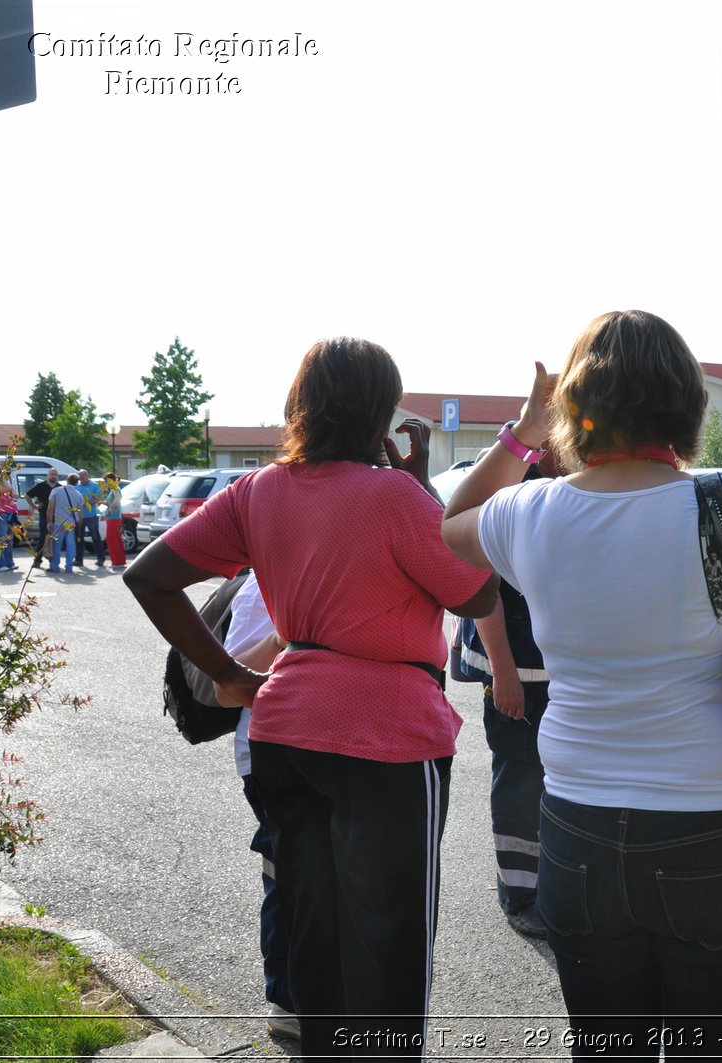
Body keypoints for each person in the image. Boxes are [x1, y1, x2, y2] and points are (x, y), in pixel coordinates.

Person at [442, 310, 722, 1059]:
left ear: (577, 407)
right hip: (714, 832)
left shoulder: (531, 510)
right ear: (683, 405)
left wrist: (522, 436)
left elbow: (452, 520)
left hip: (575, 827)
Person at [125, 336, 497, 1059]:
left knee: (313, 931)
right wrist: (419, 488)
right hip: (389, 737)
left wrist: (228, 672)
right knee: (389, 939)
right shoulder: (394, 496)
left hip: (284, 731)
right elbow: (477, 591)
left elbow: (150, 575)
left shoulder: (259, 490)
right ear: (378, 414)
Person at [452, 456, 562, 941]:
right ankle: (520, 897)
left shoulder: (567, 480)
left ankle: (553, 890)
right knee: (520, 782)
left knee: (558, 786)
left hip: (557, 668)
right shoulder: (513, 482)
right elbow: (485, 589)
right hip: (516, 667)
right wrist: (503, 672)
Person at [211, 571, 300, 1041]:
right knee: (286, 874)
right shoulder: (262, 584)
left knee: (322, 876)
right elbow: (229, 686)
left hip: (328, 751)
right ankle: (287, 1000)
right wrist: (286, 637)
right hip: (271, 754)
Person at [46, 474, 86, 574]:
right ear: (77, 482)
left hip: (59, 522)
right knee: (71, 545)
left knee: (57, 545)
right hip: (72, 524)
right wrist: (79, 525)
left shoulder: (56, 491)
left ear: (67, 480)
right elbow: (80, 514)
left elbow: (50, 508)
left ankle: (55, 566)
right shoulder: (79, 495)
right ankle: (69, 567)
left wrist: (49, 522)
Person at [25, 468, 58, 569]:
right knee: (43, 538)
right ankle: (37, 560)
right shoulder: (41, 486)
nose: (53, 476)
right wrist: (34, 506)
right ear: (48, 475)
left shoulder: (59, 488)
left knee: (56, 540)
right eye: (52, 474)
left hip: (57, 517)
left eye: (55, 474)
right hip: (44, 516)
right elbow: (27, 495)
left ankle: (54, 562)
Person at [74, 470, 105, 569]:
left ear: (88, 476)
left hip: (91, 515)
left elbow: (100, 498)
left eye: (83, 477)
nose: (81, 479)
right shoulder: (77, 486)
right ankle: (79, 560)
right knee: (79, 538)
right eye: (80, 477)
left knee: (95, 537)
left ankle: (101, 559)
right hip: (80, 516)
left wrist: (92, 501)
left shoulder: (94, 486)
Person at [101, 472, 127, 569]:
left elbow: (118, 498)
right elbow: (115, 499)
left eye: (106, 481)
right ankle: (120, 561)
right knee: (116, 539)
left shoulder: (114, 488)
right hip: (115, 517)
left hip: (113, 517)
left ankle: (116, 562)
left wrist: (112, 506)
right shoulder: (115, 488)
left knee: (111, 539)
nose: (105, 483)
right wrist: (102, 502)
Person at [0, 485, 19, 572]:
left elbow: (16, 495)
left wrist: (9, 489)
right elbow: (2, 489)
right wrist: (9, 489)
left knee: (9, 540)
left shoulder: (8, 482)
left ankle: (9, 562)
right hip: (1, 513)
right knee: (1, 539)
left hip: (11, 513)